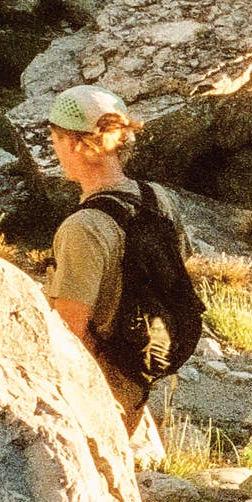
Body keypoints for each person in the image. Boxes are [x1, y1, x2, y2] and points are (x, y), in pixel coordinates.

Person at [45, 84, 188, 440]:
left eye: (56, 138)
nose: (53, 148)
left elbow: (70, 332)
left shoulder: (83, 227)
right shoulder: (158, 199)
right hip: (138, 377)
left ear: (78, 143)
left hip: (97, 388)